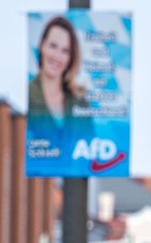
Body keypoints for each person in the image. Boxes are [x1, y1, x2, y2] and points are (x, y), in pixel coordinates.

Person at [27, 16, 93, 152]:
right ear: (41, 46)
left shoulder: (80, 102)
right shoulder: (27, 96)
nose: (57, 56)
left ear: (71, 57)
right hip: (37, 173)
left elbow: (90, 150)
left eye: (65, 51)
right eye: (53, 46)